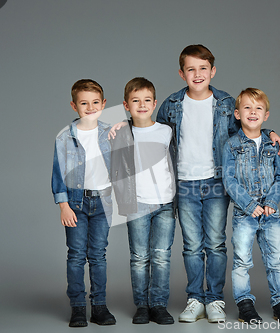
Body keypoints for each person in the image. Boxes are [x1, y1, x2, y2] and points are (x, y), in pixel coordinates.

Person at [156, 44, 280, 323]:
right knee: (191, 245)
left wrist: (269, 132)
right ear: (182, 73)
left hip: (217, 182)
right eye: (191, 69)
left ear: (213, 71)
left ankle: (214, 299)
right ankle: (194, 299)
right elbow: (154, 134)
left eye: (203, 68)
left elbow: (248, 128)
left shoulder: (227, 104)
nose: (197, 74)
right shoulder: (172, 105)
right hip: (185, 184)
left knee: (215, 244)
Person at [223, 88, 280, 324]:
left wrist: (271, 202)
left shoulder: (272, 144)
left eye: (258, 108)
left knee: (275, 261)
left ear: (266, 115)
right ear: (237, 113)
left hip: (271, 214)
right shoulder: (231, 145)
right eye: (247, 108)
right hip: (245, 214)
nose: (252, 112)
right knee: (242, 261)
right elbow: (229, 180)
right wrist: (249, 204)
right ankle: (244, 304)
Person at [110, 77, 177, 325]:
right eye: (135, 100)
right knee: (139, 257)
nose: (142, 104)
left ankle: (158, 305)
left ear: (155, 103)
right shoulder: (121, 133)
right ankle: (142, 305)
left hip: (165, 204)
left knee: (161, 255)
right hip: (137, 204)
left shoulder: (167, 130)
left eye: (147, 100)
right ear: (126, 105)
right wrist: (122, 124)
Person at [51, 79, 116, 327]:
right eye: (84, 103)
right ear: (73, 105)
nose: (90, 107)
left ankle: (99, 306)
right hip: (76, 204)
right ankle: (78, 307)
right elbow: (58, 174)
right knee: (77, 256)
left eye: (95, 102)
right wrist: (63, 205)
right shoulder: (64, 137)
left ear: (103, 104)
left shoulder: (111, 132)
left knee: (98, 256)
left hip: (103, 203)